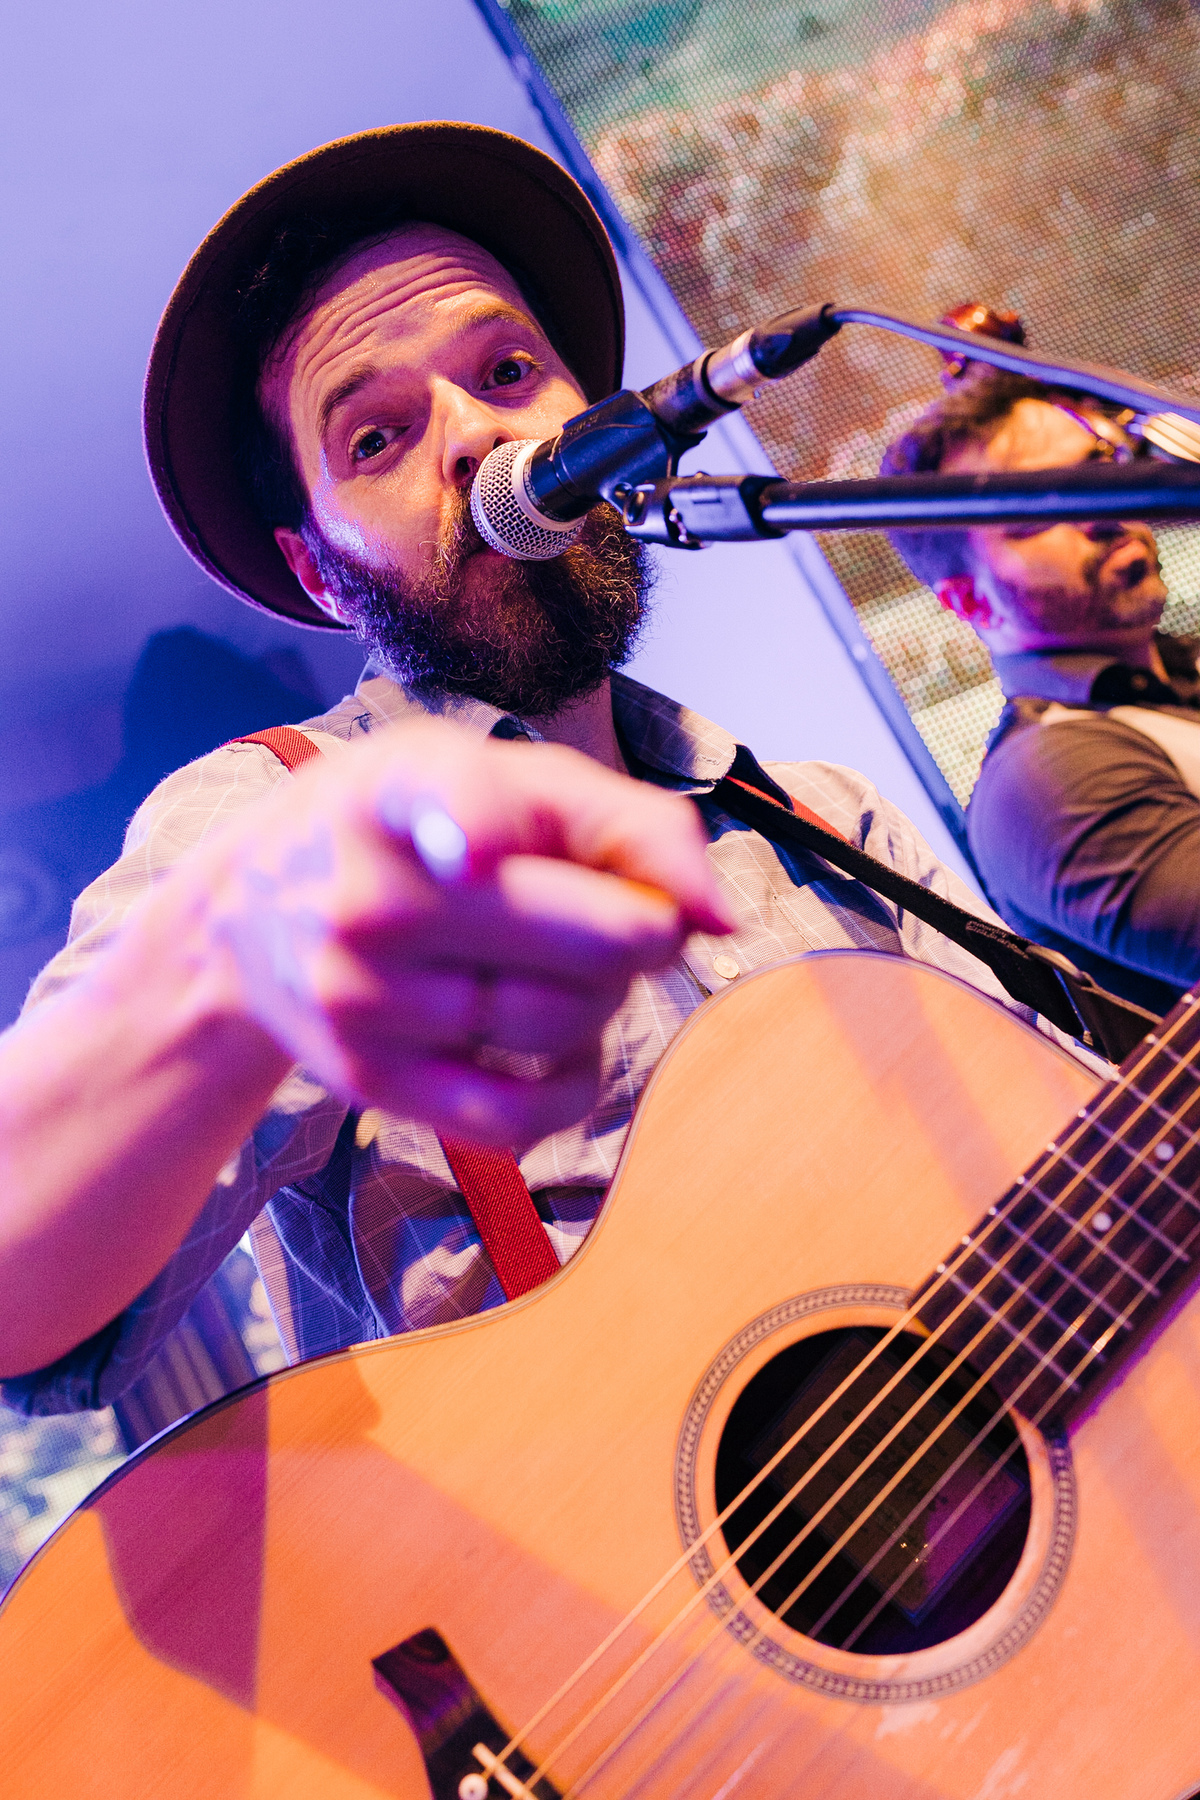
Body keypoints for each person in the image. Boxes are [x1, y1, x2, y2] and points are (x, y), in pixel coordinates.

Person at [0, 125, 1074, 1415]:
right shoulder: (272, 820)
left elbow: (1063, 1183)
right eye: (377, 438)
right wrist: (239, 952)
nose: (475, 436)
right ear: (317, 571)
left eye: (509, 371)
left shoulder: (827, 821)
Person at [882, 365, 1200, 1018]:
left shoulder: (1180, 667)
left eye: (1096, 471)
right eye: (1037, 510)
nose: (1100, 513)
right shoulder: (1045, 779)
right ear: (971, 600)